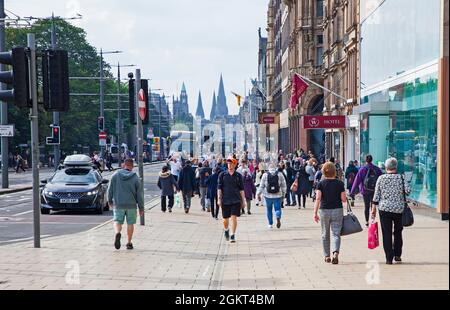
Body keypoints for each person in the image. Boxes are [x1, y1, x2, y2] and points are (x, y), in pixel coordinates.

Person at [371, 158, 411, 265]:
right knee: (398, 232)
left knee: (386, 233)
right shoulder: (401, 178)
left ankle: (389, 258)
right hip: (399, 209)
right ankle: (397, 254)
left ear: (386, 167)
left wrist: (373, 209)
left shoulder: (381, 178)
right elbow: (408, 191)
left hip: (384, 209)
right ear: (396, 167)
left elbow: (376, 195)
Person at [314, 162, 347, 265]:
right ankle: (335, 253)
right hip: (337, 209)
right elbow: (344, 199)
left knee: (325, 233)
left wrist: (315, 212)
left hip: (324, 210)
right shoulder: (340, 183)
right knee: (336, 233)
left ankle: (327, 256)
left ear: (324, 171)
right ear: (334, 171)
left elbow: (318, 198)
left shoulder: (321, 184)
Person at [107, 159, 144, 250]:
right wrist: (141, 208)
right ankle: (129, 242)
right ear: (132, 166)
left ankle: (117, 233)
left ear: (124, 165)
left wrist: (109, 201)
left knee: (117, 221)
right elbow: (139, 194)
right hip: (131, 205)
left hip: (119, 204)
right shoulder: (135, 178)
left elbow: (110, 189)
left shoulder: (115, 175)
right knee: (130, 223)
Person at [217, 156, 246, 243]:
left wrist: (243, 201)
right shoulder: (222, 175)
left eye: (231, 163)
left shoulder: (238, 176)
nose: (229, 165)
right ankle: (226, 230)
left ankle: (233, 235)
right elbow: (219, 188)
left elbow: (241, 190)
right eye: (228, 163)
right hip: (225, 200)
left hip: (236, 200)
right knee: (225, 219)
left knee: (234, 218)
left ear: (235, 164)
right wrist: (219, 199)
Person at [350, 155, 383, 227]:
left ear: (365, 160)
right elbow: (382, 179)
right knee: (373, 206)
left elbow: (356, 181)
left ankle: (367, 222)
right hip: (374, 190)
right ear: (372, 160)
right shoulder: (377, 169)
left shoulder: (362, 169)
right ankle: (373, 220)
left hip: (365, 191)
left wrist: (352, 192)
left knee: (366, 206)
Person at [257, 163, 287, 229]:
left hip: (268, 195)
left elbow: (261, 185)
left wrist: (258, 194)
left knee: (269, 209)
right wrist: (284, 194)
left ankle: (270, 224)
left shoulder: (265, 175)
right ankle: (278, 216)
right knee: (278, 208)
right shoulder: (280, 174)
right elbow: (284, 185)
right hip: (278, 195)